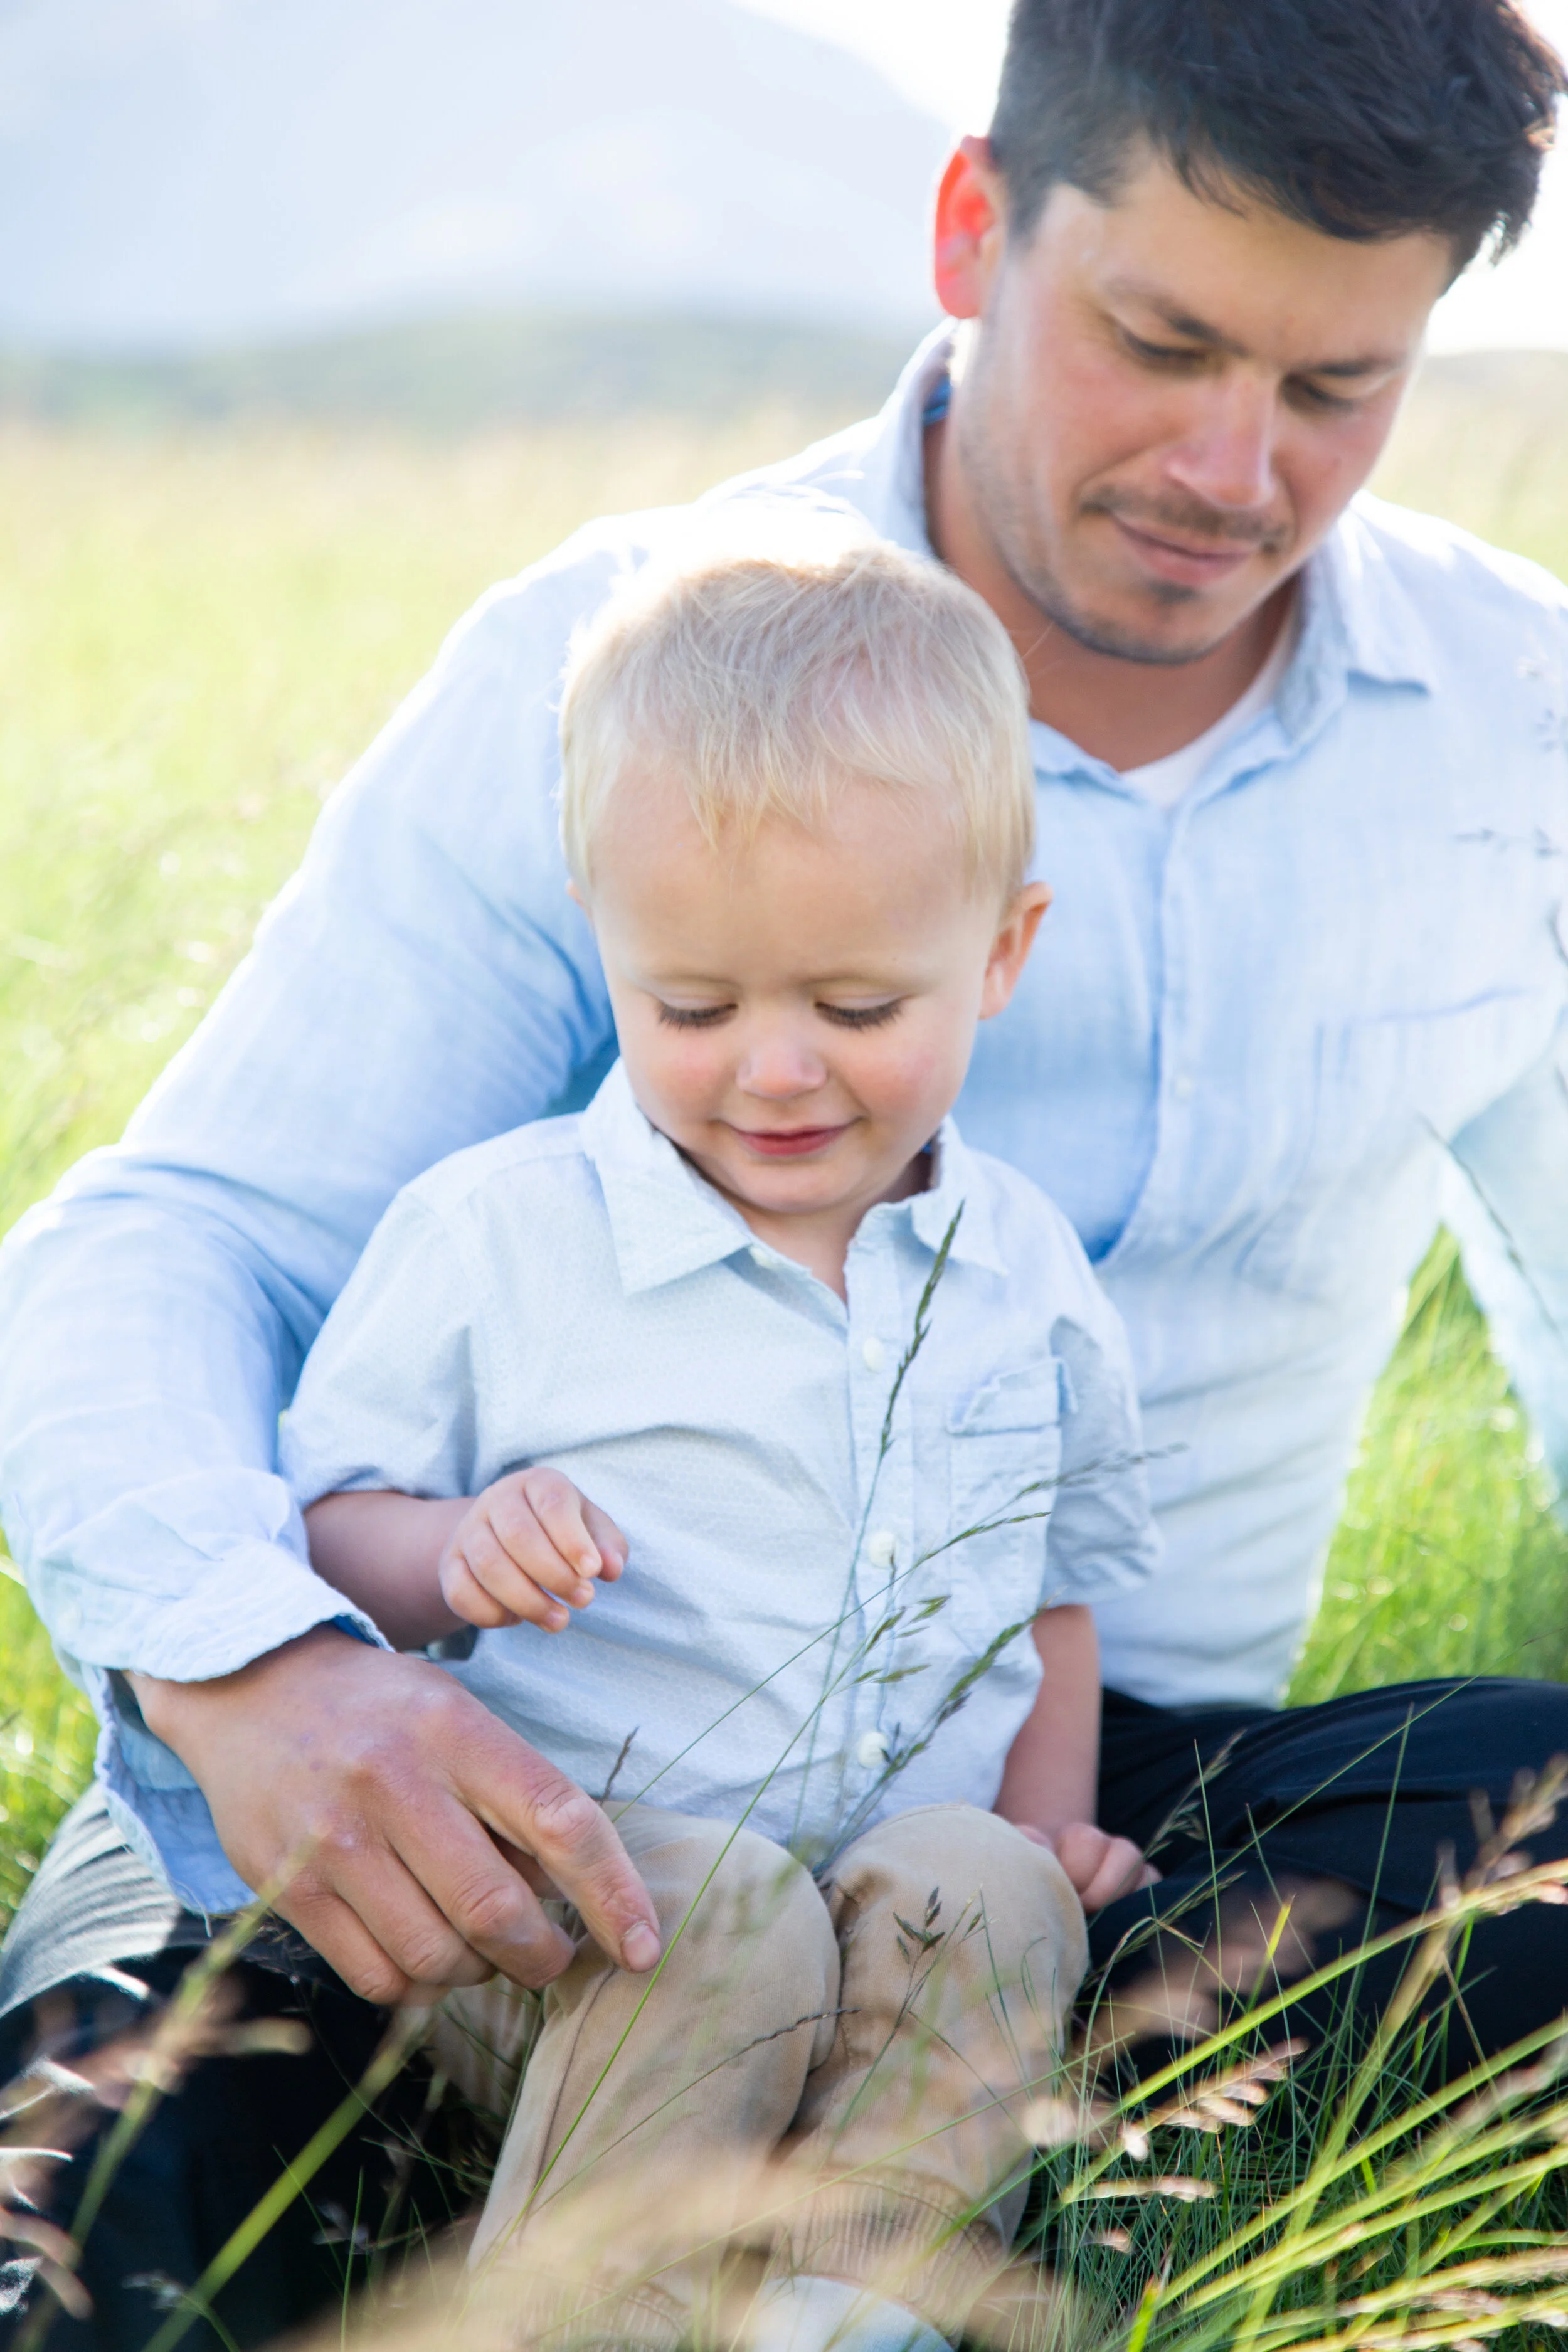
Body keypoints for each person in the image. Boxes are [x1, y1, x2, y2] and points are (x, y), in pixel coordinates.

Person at [1, 0, 1566, 2343]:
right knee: (109, 2237)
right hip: (508, 1778)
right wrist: (267, 1677)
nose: (1236, 466)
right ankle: (570, 2202)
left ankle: (865, 2230)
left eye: (1336, 388)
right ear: (972, 226)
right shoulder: (628, 662)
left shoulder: (1515, 720)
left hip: (1062, 1832)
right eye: (1160, 341)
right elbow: (184, 1235)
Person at [274, 524, 1162, 2351]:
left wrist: (1051, 1821)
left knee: (981, 1897)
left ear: (998, 954)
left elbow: (1051, 1594)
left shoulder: (1023, 1278)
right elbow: (326, 1525)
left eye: (857, 1007)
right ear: (607, 945)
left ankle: (846, 2311)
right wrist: (451, 1548)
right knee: (733, 1915)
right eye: (691, 1006)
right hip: (567, 1908)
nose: (773, 1069)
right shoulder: (499, 1237)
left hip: (886, 1878)